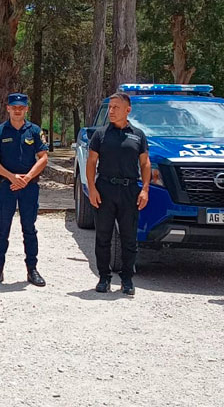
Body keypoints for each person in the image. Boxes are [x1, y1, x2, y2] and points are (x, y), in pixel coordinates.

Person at [86, 91, 150, 296]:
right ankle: (104, 277)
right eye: (110, 108)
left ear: (127, 110)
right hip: (105, 188)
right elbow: (91, 162)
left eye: (116, 108)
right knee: (103, 236)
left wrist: (145, 189)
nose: (111, 111)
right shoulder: (101, 134)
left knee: (129, 237)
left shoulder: (138, 135)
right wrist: (92, 188)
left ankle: (127, 279)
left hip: (130, 190)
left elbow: (145, 163)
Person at [0, 93, 49, 287]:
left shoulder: (35, 131)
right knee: (3, 229)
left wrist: (27, 178)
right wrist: (12, 177)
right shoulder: (0, 131)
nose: (18, 110)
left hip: (29, 187)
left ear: (26, 109)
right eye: (14, 107)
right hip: (7, 186)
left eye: (21, 107)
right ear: (8, 108)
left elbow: (43, 158)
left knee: (29, 228)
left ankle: (32, 270)